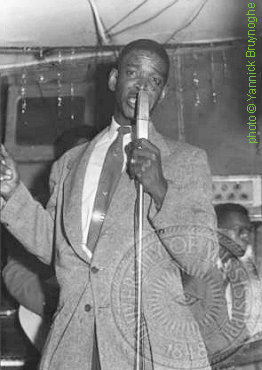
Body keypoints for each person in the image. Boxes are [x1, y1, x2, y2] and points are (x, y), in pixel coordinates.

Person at [0, 39, 218, 370]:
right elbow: (55, 247)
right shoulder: (69, 163)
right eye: (134, 73)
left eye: (155, 80)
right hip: (75, 344)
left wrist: (160, 188)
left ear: (162, 93)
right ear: (115, 80)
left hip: (150, 347)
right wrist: (13, 193)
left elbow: (201, 258)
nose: (143, 86)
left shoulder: (186, 161)